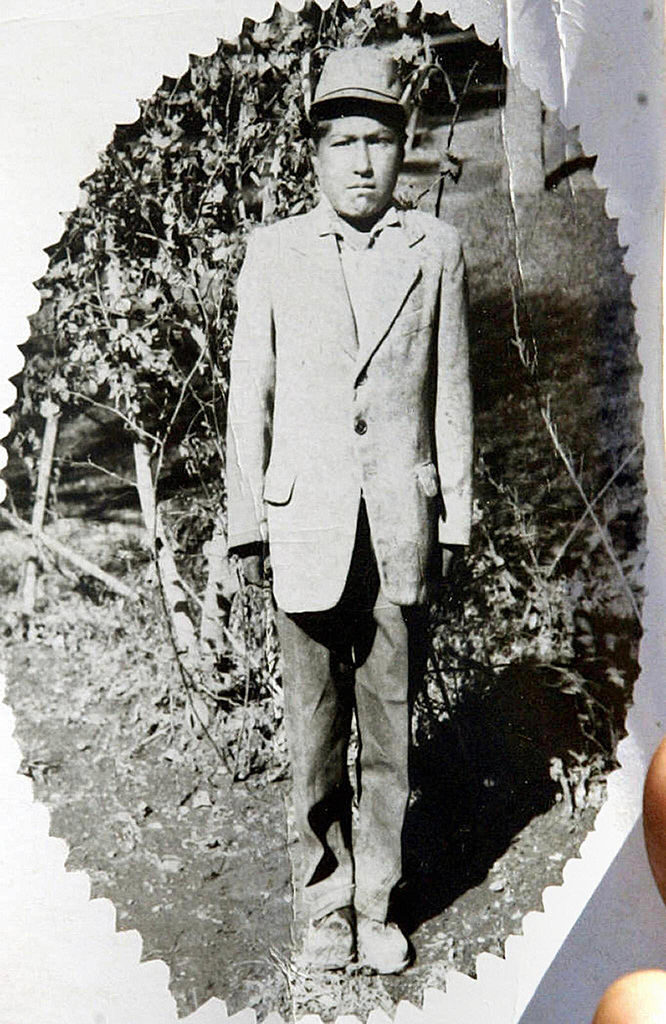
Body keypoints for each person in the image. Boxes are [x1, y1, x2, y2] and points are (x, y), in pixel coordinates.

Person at [225, 46, 472, 974]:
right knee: (315, 730)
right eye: (343, 143)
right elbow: (249, 395)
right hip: (305, 527)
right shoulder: (275, 252)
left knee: (390, 727)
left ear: (403, 149)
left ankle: (378, 903)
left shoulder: (434, 250)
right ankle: (324, 903)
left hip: (400, 526)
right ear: (315, 155)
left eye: (379, 141)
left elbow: (453, 392)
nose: (363, 162)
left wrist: (455, 518)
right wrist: (248, 520)